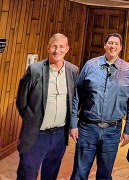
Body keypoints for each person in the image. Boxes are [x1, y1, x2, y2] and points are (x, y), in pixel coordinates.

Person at [70, 33, 129, 180]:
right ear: (105, 45)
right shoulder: (90, 66)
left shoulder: (128, 71)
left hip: (113, 132)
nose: (113, 46)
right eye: (110, 43)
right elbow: (77, 95)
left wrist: (128, 129)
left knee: (105, 175)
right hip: (87, 128)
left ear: (120, 48)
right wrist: (73, 124)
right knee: (79, 173)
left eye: (116, 44)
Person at [16, 33, 79, 180]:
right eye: (54, 46)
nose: (57, 51)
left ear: (67, 49)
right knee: (27, 174)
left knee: (51, 174)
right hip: (36, 135)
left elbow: (75, 99)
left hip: (59, 135)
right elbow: (21, 102)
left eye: (61, 47)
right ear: (48, 48)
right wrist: (32, 121)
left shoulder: (73, 70)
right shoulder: (35, 70)